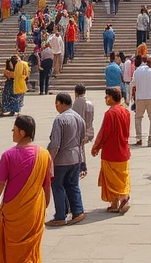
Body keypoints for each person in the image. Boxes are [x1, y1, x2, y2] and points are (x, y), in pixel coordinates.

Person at [0, 115, 53, 263]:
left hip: (12, 214)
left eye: (14, 130)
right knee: (30, 253)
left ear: (22, 132)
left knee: (11, 252)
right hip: (34, 211)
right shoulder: (44, 154)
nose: (13, 133)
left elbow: (0, 184)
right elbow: (47, 184)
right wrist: (44, 206)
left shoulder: (8, 155)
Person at [46, 92, 87, 226]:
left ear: (62, 103)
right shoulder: (79, 118)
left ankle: (60, 215)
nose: (56, 106)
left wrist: (49, 161)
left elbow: (55, 144)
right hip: (76, 157)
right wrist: (83, 162)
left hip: (61, 159)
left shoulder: (60, 119)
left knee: (58, 186)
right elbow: (82, 142)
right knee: (73, 185)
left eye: (56, 103)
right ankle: (77, 211)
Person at [91, 86, 132, 214]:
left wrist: (96, 146)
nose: (105, 99)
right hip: (123, 150)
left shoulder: (110, 113)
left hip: (111, 151)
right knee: (121, 176)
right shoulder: (125, 111)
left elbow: (104, 132)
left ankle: (122, 197)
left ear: (112, 97)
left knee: (111, 179)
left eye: (106, 96)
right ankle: (115, 203)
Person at [131, 55, 151, 147]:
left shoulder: (137, 72)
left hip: (140, 98)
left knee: (138, 118)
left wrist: (133, 98)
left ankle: (139, 138)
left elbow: (133, 85)